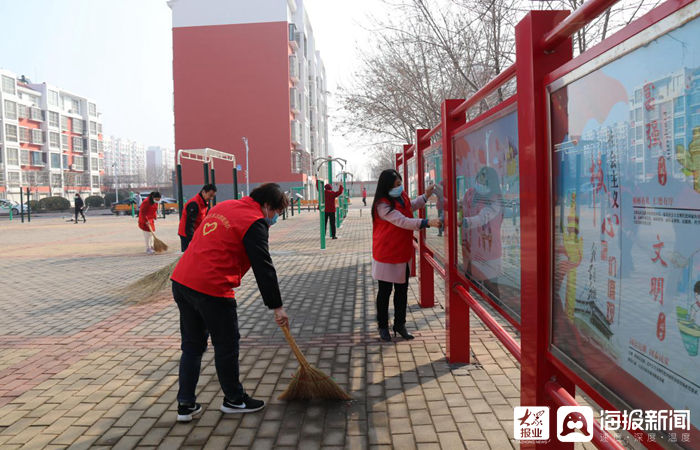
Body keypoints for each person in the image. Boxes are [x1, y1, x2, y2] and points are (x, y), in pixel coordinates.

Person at [170, 183, 290, 422]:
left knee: (192, 346)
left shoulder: (225, 206)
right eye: (276, 212)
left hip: (182, 281)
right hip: (212, 288)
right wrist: (277, 306)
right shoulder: (255, 221)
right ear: (267, 206)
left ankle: (185, 404)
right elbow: (263, 267)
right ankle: (234, 400)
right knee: (226, 345)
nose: (275, 217)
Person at [372, 169, 439, 341]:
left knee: (401, 291)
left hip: (402, 251)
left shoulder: (401, 195)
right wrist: (426, 222)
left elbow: (410, 207)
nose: (399, 187)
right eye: (396, 185)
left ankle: (399, 324)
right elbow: (402, 221)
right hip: (386, 253)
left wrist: (425, 196)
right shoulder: (382, 205)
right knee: (385, 292)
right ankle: (382, 326)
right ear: (386, 186)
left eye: (400, 183)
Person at [460, 166, 503, 298]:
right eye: (480, 176)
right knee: (472, 283)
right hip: (470, 248)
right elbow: (461, 205)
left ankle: (497, 313)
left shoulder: (495, 199)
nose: (480, 180)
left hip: (488, 249)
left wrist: (463, 222)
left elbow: (482, 218)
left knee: (490, 285)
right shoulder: (470, 193)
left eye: (485, 178)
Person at [178, 184, 217, 252]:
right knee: (188, 255)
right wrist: (192, 240)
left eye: (213, 196)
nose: (211, 198)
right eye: (210, 195)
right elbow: (189, 224)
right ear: (203, 192)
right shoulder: (194, 204)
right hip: (186, 235)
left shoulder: (204, 203)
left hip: (195, 233)